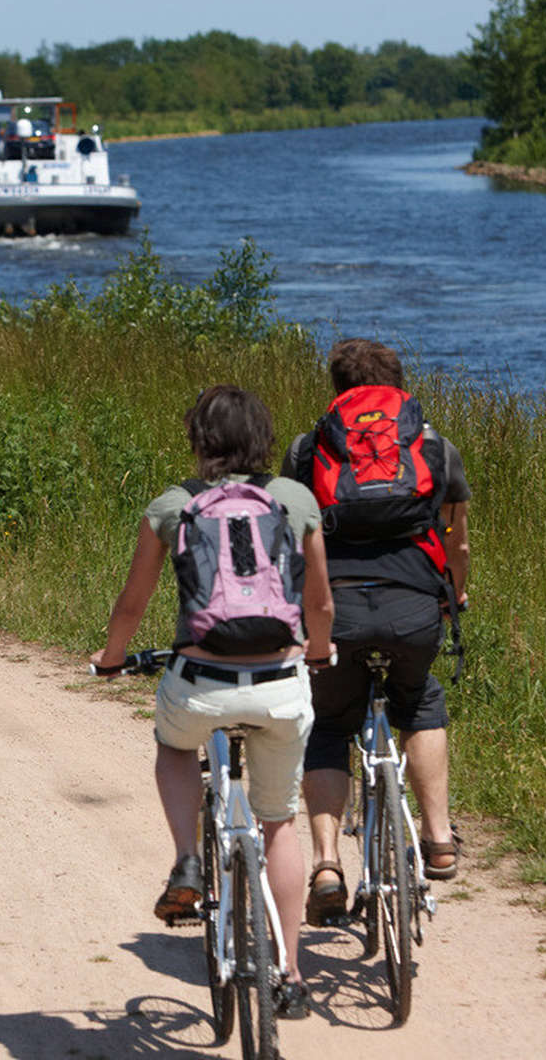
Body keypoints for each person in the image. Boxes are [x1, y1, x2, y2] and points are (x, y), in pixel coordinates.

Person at [92, 384, 335, 1018]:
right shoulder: (295, 499)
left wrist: (112, 656)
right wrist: (318, 651)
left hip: (199, 681)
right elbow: (320, 604)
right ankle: (289, 972)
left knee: (173, 746)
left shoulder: (174, 506)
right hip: (281, 685)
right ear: (263, 440)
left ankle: (187, 861)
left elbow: (132, 603)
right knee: (279, 820)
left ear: (198, 443)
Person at [280, 338, 471, 926]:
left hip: (334, 610)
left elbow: (289, 542)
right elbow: (457, 543)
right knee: (420, 700)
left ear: (338, 389)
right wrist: (454, 596)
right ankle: (438, 838)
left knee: (330, 723)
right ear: (399, 384)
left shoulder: (309, 449)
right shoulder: (435, 446)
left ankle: (328, 866)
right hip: (413, 603)